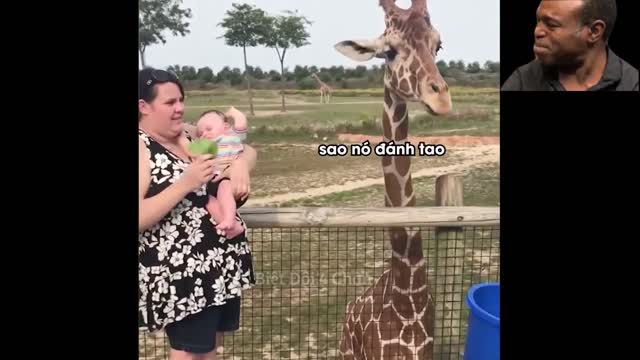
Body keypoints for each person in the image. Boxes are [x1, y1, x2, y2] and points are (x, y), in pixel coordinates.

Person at [138, 67, 256, 360]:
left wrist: (239, 166)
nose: (179, 108)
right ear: (143, 106)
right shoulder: (142, 147)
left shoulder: (188, 134)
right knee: (189, 354)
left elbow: (244, 147)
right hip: (182, 276)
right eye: (169, 103)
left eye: (181, 100)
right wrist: (186, 182)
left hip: (216, 269)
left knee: (209, 349)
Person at [502, 0, 638, 91]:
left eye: (551, 25)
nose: (537, 31)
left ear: (594, 31)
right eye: (538, 21)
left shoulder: (631, 85)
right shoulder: (523, 81)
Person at [190, 107, 248, 239]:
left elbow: (241, 124)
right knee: (206, 200)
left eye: (209, 129)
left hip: (227, 179)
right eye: (201, 132)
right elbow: (191, 152)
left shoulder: (231, 137)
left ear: (226, 127)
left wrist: (233, 112)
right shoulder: (204, 144)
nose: (204, 134)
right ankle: (231, 227)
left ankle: (229, 219)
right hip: (211, 182)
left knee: (224, 189)